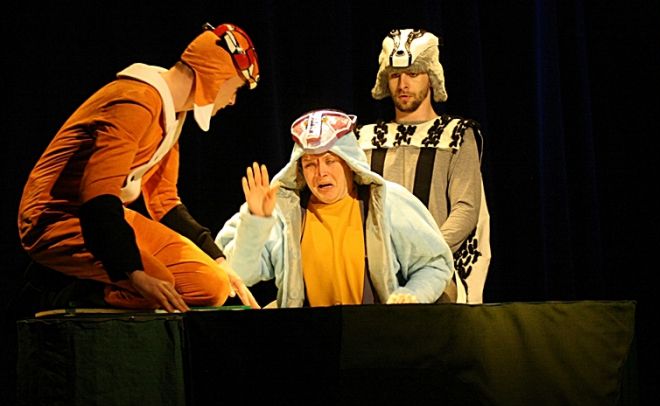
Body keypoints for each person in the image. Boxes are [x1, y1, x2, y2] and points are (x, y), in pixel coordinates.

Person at [17, 23, 261, 313]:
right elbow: (97, 195)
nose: (232, 101)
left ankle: (101, 279)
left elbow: (163, 201)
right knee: (159, 283)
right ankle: (68, 288)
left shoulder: (172, 114)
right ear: (215, 78)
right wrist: (132, 271)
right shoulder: (136, 101)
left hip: (105, 216)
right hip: (57, 218)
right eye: (234, 89)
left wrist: (220, 261)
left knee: (212, 286)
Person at [215, 109, 454, 308]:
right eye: (310, 164)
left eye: (330, 161)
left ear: (350, 163)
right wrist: (256, 220)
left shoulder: (386, 202)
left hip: (377, 336)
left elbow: (434, 263)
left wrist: (411, 297)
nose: (321, 173)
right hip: (311, 340)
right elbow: (240, 274)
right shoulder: (283, 211)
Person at [356, 28, 491, 304]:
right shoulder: (365, 139)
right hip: (374, 269)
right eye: (395, 75)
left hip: (436, 267)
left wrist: (422, 253)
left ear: (430, 76)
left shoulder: (456, 135)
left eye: (413, 73)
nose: (403, 84)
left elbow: (465, 210)